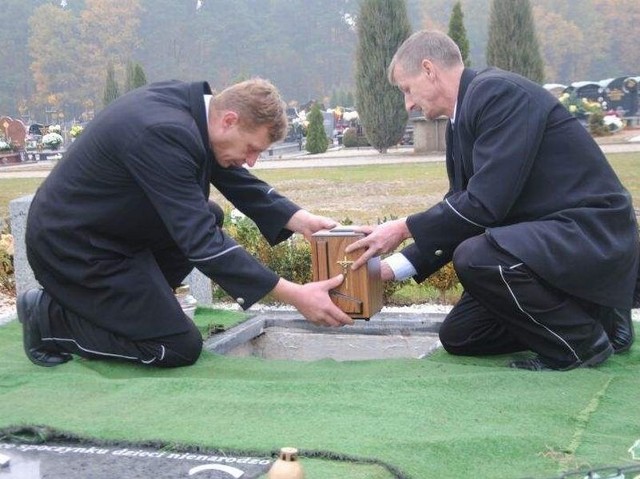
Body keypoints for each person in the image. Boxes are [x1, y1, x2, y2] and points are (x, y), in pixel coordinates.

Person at [346, 30, 639, 371]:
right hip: (550, 240)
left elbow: (486, 205)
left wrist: (403, 227)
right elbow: (463, 207)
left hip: (590, 233)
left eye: (407, 89)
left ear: (429, 69)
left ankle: (580, 345)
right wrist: (387, 270)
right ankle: (594, 318)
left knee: (477, 256)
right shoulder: (463, 116)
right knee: (462, 335)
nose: (407, 104)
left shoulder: (498, 94)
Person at [18, 78, 353, 369]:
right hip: (72, 248)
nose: (251, 160)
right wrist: (294, 294)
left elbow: (232, 176)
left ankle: (139, 314)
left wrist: (301, 220)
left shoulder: (196, 114)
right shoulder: (163, 131)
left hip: (109, 232)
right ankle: (49, 319)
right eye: (252, 148)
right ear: (229, 120)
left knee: (210, 213)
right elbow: (201, 240)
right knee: (176, 347)